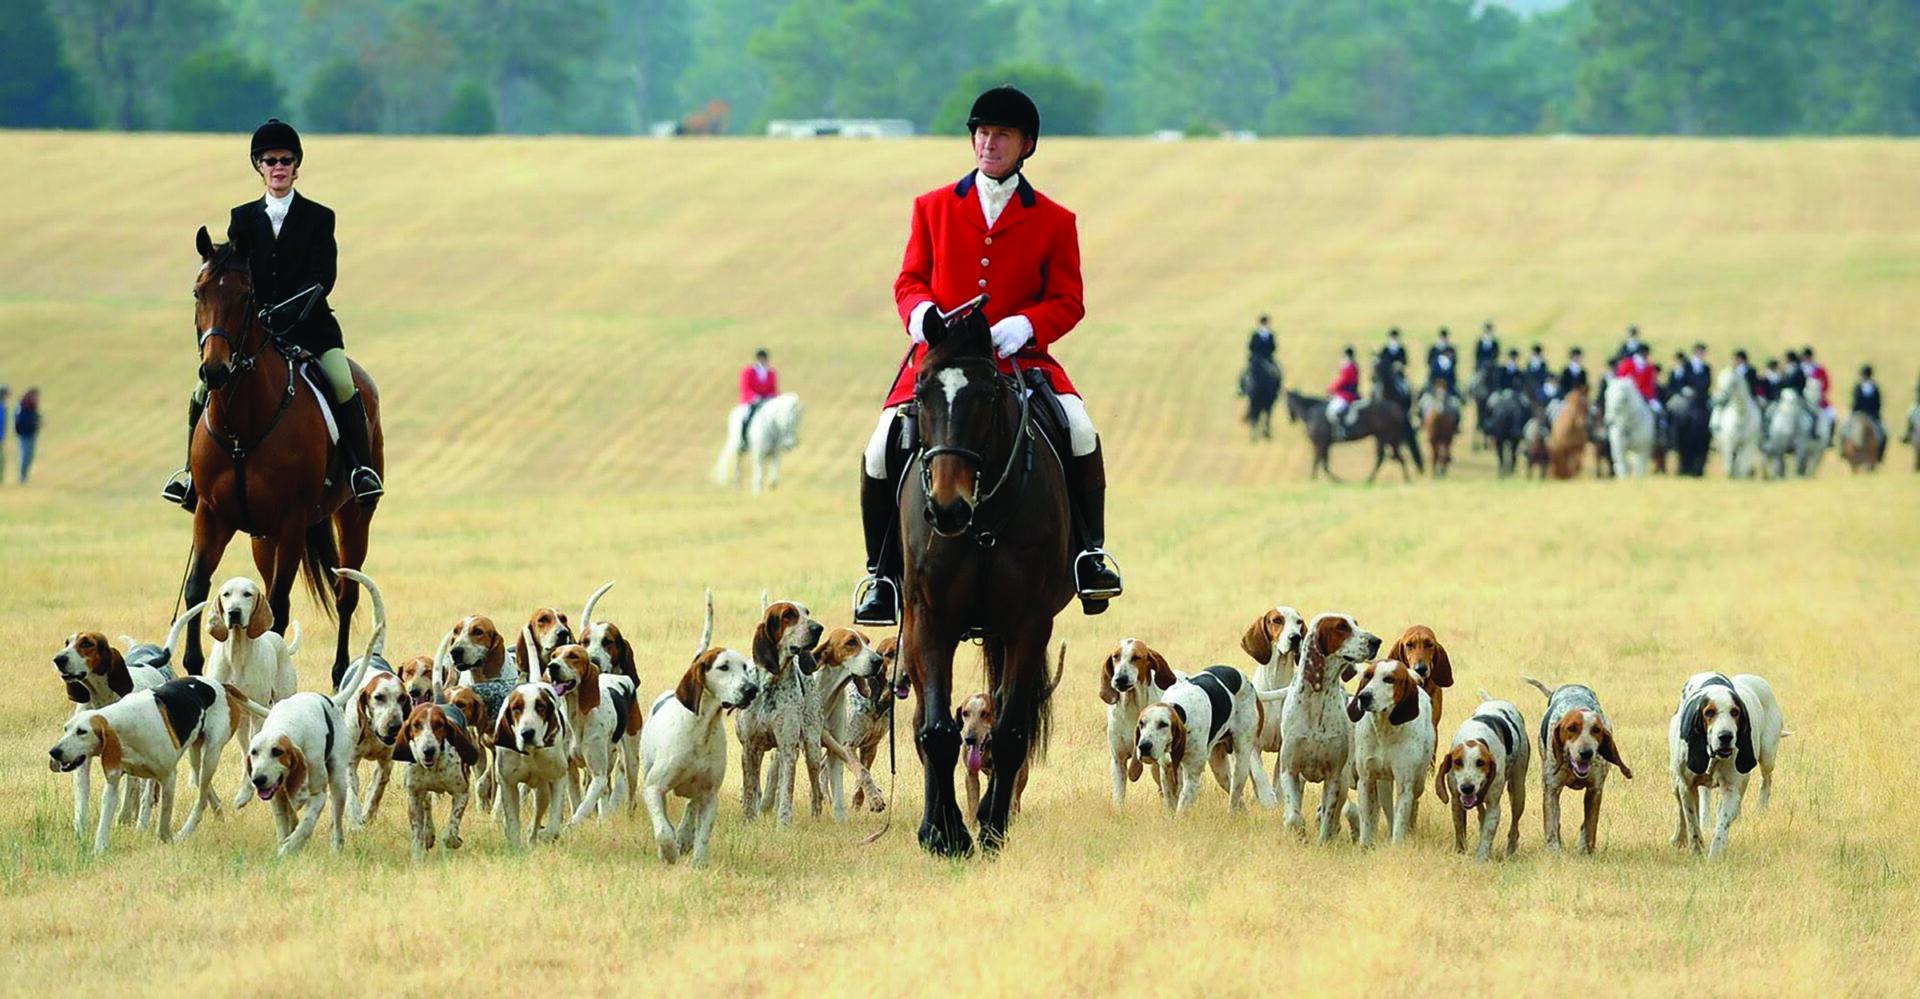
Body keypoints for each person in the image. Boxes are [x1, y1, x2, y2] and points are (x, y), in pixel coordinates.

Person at [854, 85, 1119, 625]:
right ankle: (880, 575)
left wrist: (1024, 326)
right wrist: (923, 313)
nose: (988, 143)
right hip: (941, 362)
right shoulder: (931, 208)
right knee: (880, 448)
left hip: (1019, 363)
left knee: (1081, 428)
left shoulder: (1054, 219)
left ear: (1026, 145)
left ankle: (1090, 553)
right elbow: (909, 279)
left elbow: (1069, 300)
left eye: (1001, 135)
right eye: (981, 133)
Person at [162, 118, 382, 512]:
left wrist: (289, 314)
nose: (278, 167)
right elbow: (238, 273)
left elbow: (323, 278)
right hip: (256, 330)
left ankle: (360, 472)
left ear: (296, 167)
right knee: (201, 391)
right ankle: (191, 476)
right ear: (258, 167)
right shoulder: (242, 218)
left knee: (344, 384)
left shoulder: (319, 217)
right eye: (270, 161)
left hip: (312, 327)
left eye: (285, 160)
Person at [733, 348, 779, 450]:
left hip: (766, 401)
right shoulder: (748, 371)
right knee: (746, 416)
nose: (764, 361)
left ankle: (776, 441)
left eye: (765, 359)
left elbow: (774, 389)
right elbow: (745, 387)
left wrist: (771, 396)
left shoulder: (771, 373)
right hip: (751, 401)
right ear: (758, 359)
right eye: (762, 359)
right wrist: (754, 397)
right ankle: (743, 440)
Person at [1852, 364, 1886, 461]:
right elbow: (1855, 402)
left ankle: (1880, 454)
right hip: (1859, 415)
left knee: (1884, 433)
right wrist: (1856, 412)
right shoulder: (1858, 387)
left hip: (1873, 415)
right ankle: (1844, 451)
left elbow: (1878, 402)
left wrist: (1875, 413)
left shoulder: (1875, 387)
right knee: (1844, 429)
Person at [1613, 343, 1660, 410]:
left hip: (1643, 396)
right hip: (1628, 396)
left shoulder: (1649, 367)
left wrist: (1644, 395)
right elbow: (1620, 381)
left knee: (1658, 409)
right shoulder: (1627, 364)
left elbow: (1650, 385)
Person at [1328, 346, 1362, 435]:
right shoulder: (1353, 366)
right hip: (1349, 393)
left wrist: (1331, 389)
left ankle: (1341, 430)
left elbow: (1342, 381)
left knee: (1333, 410)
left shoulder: (1348, 368)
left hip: (1346, 395)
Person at [14, 387, 40, 484]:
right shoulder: (23, 406)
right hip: (24, 434)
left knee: (30, 456)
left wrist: (38, 422)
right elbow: (19, 421)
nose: (37, 398)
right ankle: (22, 477)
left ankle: (25, 475)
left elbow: (35, 417)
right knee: (25, 455)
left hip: (32, 434)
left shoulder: (33, 406)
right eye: (36, 396)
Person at [1426, 327, 1458, 398]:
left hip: (1449, 379)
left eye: (1445, 337)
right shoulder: (1433, 349)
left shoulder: (1451, 349)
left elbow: (1455, 363)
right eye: (1442, 337)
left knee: (1458, 391)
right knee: (1425, 388)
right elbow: (1428, 362)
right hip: (1434, 378)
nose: (1443, 339)